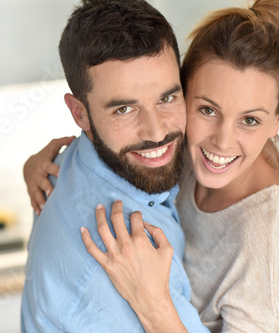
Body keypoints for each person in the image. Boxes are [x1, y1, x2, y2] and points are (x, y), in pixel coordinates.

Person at [24, 0, 279, 332]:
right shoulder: (164, 159)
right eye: (208, 110)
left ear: (275, 122)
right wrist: (33, 165)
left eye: (250, 120)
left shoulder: (268, 240)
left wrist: (156, 306)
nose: (223, 142)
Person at [21, 0, 211, 332]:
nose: (156, 132)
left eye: (166, 98)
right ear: (80, 114)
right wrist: (156, 310)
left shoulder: (73, 162)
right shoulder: (115, 261)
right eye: (124, 109)